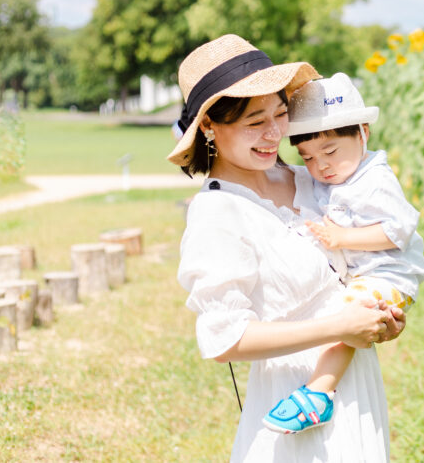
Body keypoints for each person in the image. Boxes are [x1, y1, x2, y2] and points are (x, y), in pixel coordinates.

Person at [169, 35, 405, 462]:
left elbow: (367, 262)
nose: (275, 133)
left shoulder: (311, 178)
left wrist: (379, 317)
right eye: (255, 121)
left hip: (357, 386)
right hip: (293, 401)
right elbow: (224, 339)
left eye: (280, 113)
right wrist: (341, 328)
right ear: (209, 126)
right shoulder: (217, 212)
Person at [261, 73, 424, 434]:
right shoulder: (333, 179)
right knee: (346, 320)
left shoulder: (374, 180)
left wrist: (342, 237)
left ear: (362, 133)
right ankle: (318, 389)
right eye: (307, 157)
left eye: (331, 152)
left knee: (347, 321)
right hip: (365, 274)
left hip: (387, 275)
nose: (321, 165)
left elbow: (397, 230)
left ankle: (318, 393)